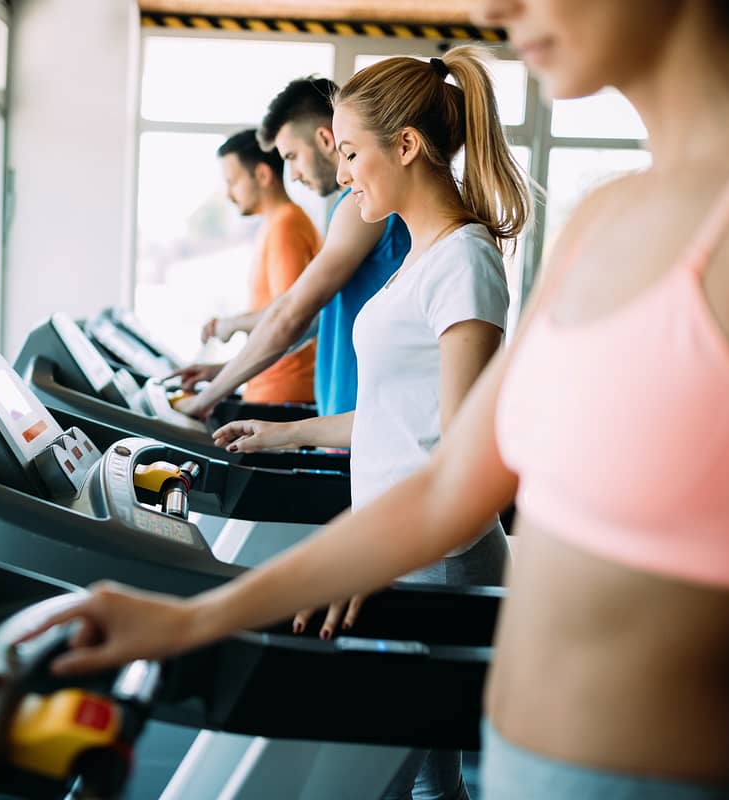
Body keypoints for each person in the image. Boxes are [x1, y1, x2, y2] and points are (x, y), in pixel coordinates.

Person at [30, 2, 729, 799]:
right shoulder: (606, 219)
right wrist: (192, 617)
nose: (493, 9)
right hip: (524, 763)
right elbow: (448, 482)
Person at [213, 47, 527, 800]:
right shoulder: (422, 260)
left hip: (435, 559)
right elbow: (396, 422)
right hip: (404, 544)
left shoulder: (465, 261)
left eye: (351, 152)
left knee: (397, 774)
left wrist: (375, 558)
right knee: (413, 774)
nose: (342, 170)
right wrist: (280, 435)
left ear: (407, 146)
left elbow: (463, 458)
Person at [171, 77, 410, 419]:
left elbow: (290, 315)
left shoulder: (363, 207)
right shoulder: (359, 206)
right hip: (348, 422)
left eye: (293, 157)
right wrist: (223, 372)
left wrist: (203, 400)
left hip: (362, 423)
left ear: (325, 139)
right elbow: (315, 318)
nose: (293, 174)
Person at [201, 129, 320, 405]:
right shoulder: (279, 223)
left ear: (263, 175)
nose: (229, 194)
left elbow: (290, 316)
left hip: (279, 392)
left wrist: (230, 324)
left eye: (233, 182)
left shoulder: (286, 226)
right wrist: (222, 371)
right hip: (268, 386)